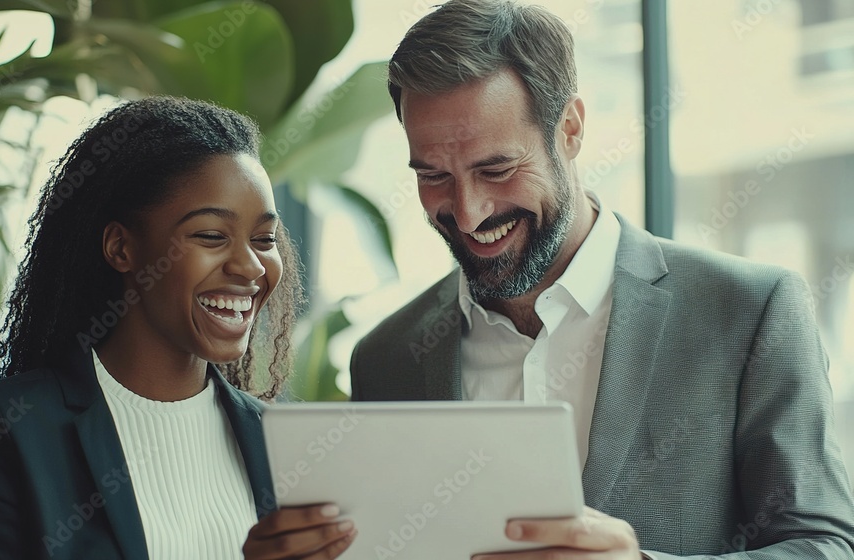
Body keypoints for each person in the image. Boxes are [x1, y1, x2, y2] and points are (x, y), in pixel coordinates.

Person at [348, 1, 854, 559]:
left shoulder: (747, 312)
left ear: (569, 129)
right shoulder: (386, 356)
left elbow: (825, 547)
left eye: (497, 169)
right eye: (435, 176)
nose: (467, 213)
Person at [0, 97, 357, 559]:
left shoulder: (281, 441)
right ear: (121, 247)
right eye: (212, 236)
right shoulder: (9, 428)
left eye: (264, 240)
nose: (251, 266)